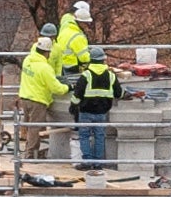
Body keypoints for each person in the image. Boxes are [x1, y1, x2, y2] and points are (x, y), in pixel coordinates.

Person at [17, 27, 66, 159]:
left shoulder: (28, 60)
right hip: (37, 101)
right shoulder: (45, 68)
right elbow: (56, 88)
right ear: (47, 52)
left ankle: (28, 150)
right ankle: (31, 155)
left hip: (25, 97)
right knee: (35, 129)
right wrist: (68, 88)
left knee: (28, 126)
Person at [73, 46, 120, 167]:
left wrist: (73, 106)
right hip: (101, 113)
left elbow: (77, 94)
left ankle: (87, 162)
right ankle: (98, 163)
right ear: (103, 60)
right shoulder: (111, 75)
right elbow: (118, 93)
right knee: (99, 136)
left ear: (91, 60)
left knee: (84, 136)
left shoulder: (86, 75)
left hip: (85, 112)